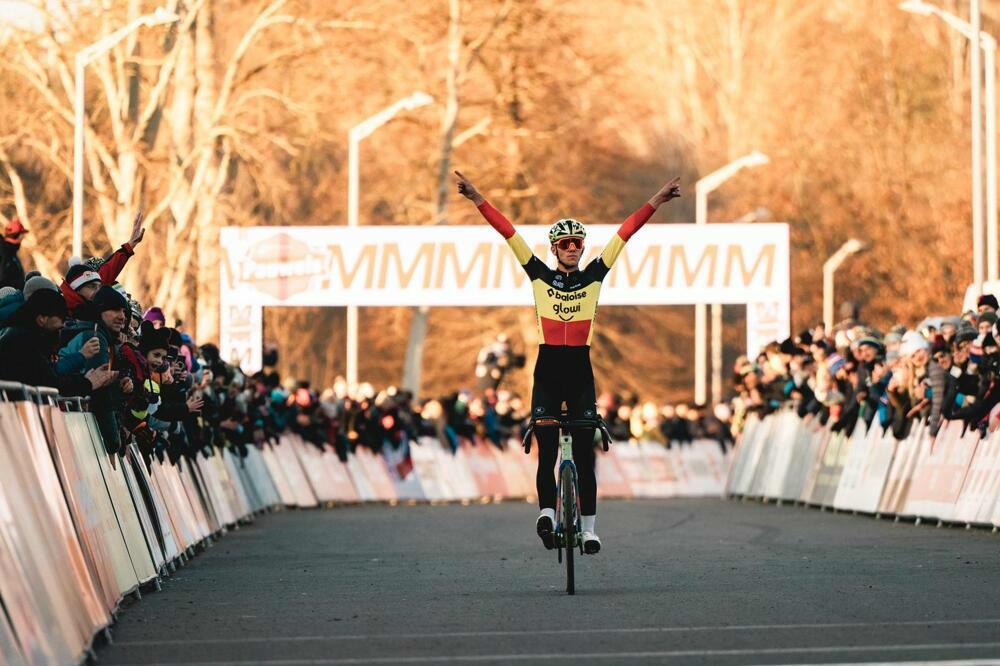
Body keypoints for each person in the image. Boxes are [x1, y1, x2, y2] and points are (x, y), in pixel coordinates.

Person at [455, 169, 681, 554]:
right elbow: (508, 233)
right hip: (547, 372)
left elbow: (624, 233)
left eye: (578, 243)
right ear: (555, 249)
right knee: (547, 454)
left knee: (585, 459)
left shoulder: (595, 274)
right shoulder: (538, 274)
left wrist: (657, 200)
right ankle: (546, 513)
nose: (573, 248)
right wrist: (478, 198)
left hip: (580, 373)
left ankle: (589, 531)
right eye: (566, 243)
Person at [0, 218, 28, 290]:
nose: (22, 238)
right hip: (7, 295)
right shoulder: (4, 253)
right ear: (16, 235)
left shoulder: (11, 253)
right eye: (22, 235)